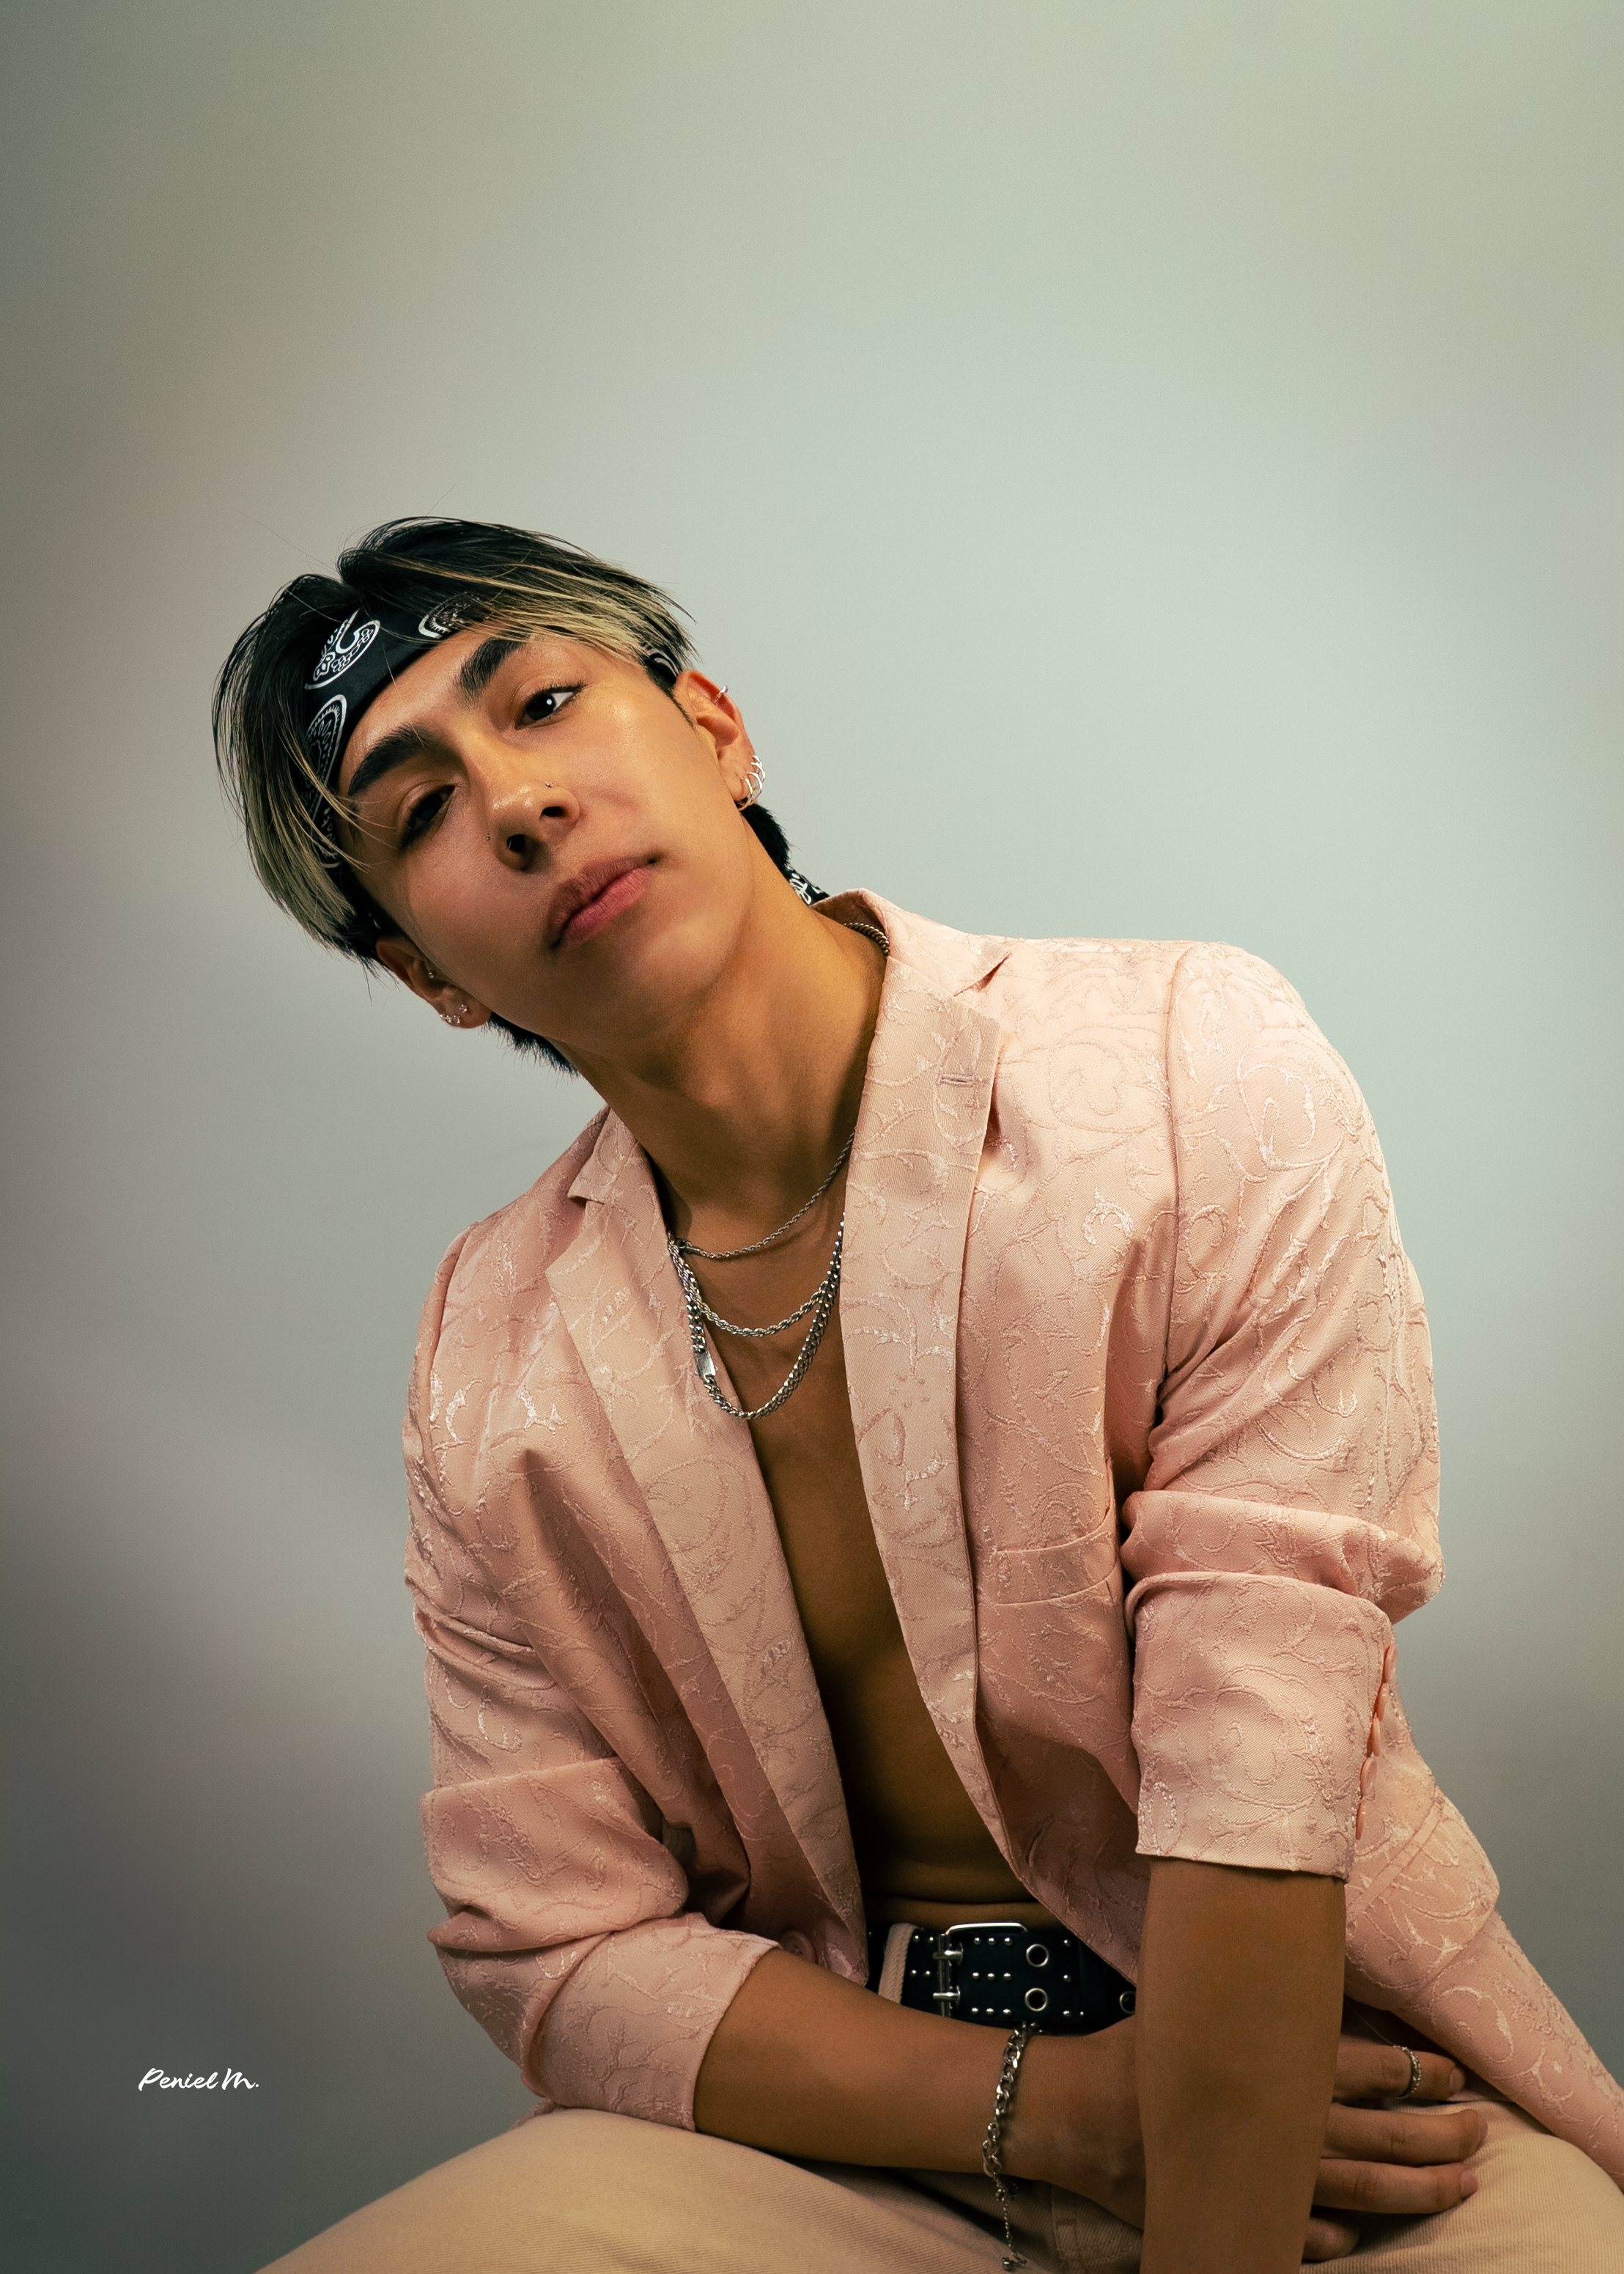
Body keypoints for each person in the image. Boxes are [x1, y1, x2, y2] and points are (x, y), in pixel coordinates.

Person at [215, 519, 1624, 2273]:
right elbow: (559, 1950)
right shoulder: (488, 1356)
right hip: (855, 2133)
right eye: (416, 812)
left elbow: (1259, 1759)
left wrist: (1185, 2160)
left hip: (1326, 2089)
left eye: (549, 702)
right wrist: (1049, 2112)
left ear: (714, 729)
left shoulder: (1186, 1069)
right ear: (426, 971)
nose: (517, 803)